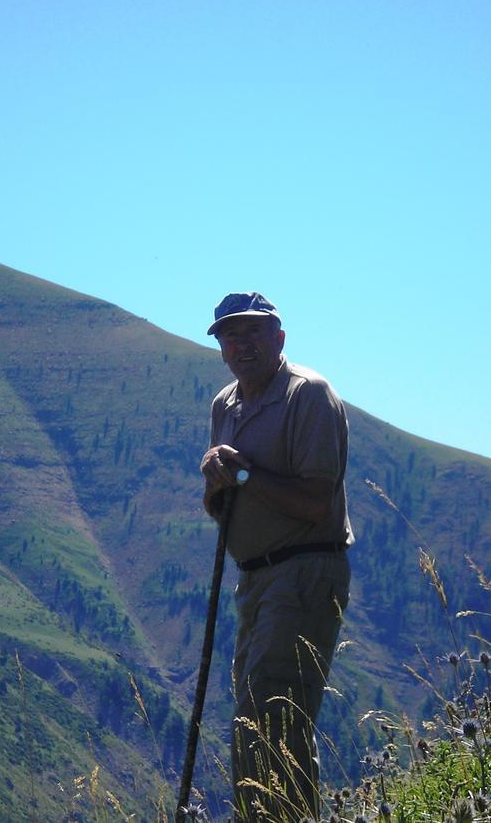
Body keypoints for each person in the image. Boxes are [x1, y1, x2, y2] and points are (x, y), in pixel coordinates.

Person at [199, 291, 353, 822]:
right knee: (260, 716)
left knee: (272, 707)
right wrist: (216, 483)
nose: (241, 345)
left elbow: (315, 503)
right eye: (229, 336)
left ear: (279, 338)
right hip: (256, 577)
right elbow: (226, 505)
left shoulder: (308, 395)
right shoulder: (226, 405)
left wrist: (240, 473)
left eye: (253, 333)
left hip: (306, 569)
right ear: (220, 347)